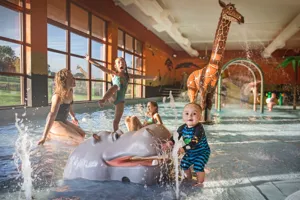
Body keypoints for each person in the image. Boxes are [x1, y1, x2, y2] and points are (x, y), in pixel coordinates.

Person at [85, 55, 157, 141]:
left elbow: (141, 77)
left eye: (123, 61)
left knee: (116, 121)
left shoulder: (127, 76)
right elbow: (101, 67)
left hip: (120, 101)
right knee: (115, 86)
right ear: (115, 66)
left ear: (125, 65)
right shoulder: (113, 74)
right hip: (113, 96)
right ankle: (103, 100)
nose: (121, 63)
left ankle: (116, 136)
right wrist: (90, 60)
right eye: (119, 62)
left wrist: (152, 78)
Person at [163, 103, 210, 187]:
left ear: (200, 117)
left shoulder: (199, 129)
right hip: (190, 152)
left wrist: (183, 149)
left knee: (198, 166)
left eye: (194, 114)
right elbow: (175, 136)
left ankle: (200, 182)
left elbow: (194, 142)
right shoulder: (182, 128)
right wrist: (170, 142)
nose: (190, 116)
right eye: (187, 113)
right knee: (184, 164)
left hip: (202, 152)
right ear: (183, 116)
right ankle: (188, 178)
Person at [38, 69, 86, 145]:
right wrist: (43, 136)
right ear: (64, 81)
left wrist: (73, 116)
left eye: (73, 77)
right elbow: (52, 115)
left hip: (63, 120)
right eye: (71, 78)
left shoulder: (70, 91)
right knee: (78, 139)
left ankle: (54, 135)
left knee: (82, 135)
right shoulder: (58, 97)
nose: (74, 79)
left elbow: (69, 105)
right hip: (54, 122)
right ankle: (50, 134)